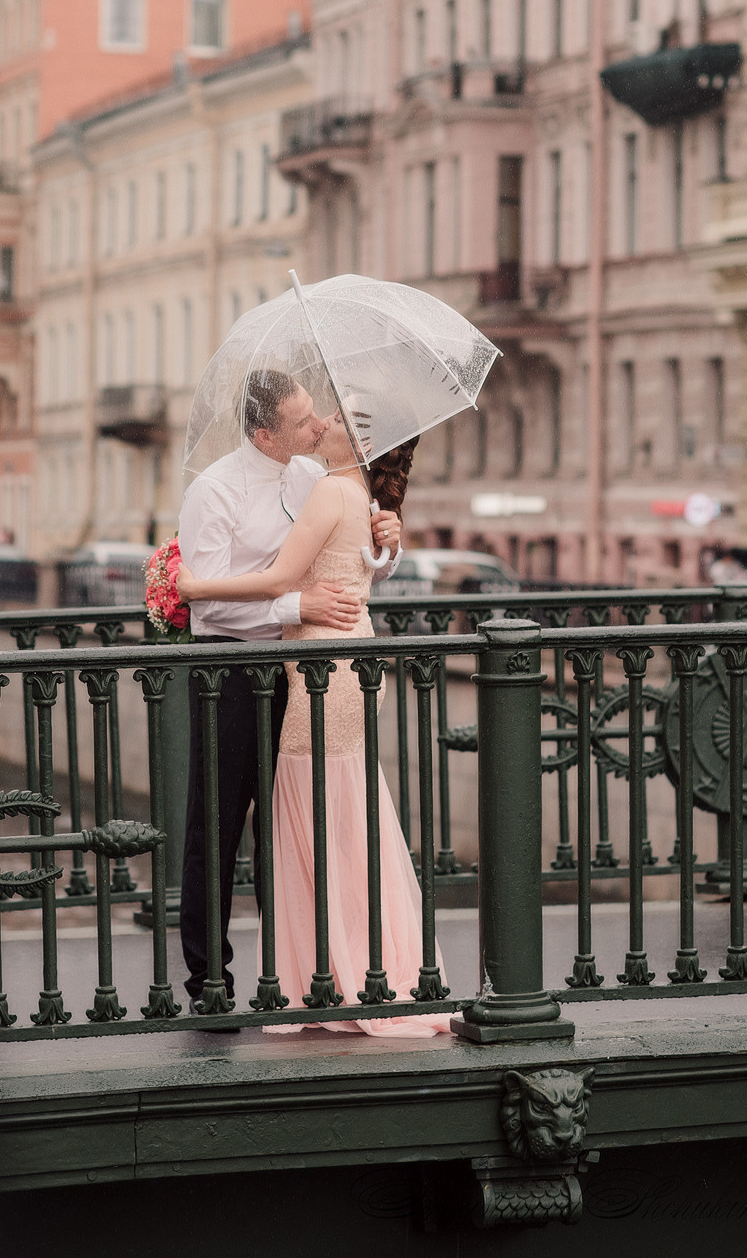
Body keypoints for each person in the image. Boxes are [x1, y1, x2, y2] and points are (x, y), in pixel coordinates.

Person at [178, 409, 450, 1038]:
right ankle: (216, 982)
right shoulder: (217, 488)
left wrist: (389, 543)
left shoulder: (321, 483)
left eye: (332, 417)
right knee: (234, 822)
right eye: (308, 416)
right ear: (266, 431)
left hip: (315, 674)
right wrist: (295, 597)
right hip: (246, 667)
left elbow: (319, 570)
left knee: (315, 817)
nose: (323, 422)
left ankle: (327, 978)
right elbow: (253, 599)